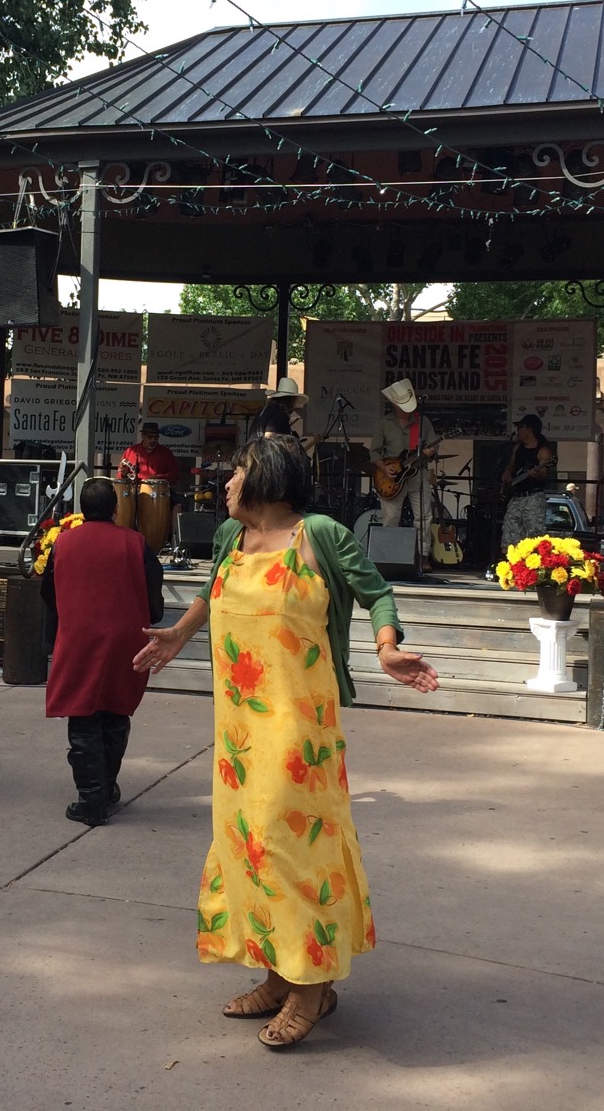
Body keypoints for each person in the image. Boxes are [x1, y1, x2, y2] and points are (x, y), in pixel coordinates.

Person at [133, 436, 437, 1050]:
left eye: (237, 471)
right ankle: (277, 972)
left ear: (268, 478)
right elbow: (209, 593)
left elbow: (376, 592)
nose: (226, 484)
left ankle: (311, 988)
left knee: (295, 848)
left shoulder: (319, 534)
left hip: (301, 730)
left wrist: (387, 649)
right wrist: (178, 635)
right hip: (239, 732)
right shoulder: (229, 538)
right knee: (249, 844)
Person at [40, 477, 165, 826]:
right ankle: (106, 788)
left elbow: (49, 593)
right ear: (115, 508)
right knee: (115, 710)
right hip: (126, 638)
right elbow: (154, 593)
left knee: (83, 712)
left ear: (81, 510)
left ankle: (92, 798)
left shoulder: (63, 543)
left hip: (80, 636)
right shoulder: (136, 542)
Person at [369, 377, 440, 571]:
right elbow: (374, 452)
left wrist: (431, 452)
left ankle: (423, 556)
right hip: (391, 478)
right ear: (393, 403)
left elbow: (434, 446)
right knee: (391, 517)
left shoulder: (423, 422)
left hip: (418, 475)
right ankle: (388, 557)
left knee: (424, 516)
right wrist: (385, 468)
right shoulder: (384, 423)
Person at [500, 413, 555, 551]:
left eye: (520, 427)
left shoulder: (543, 450)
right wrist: (506, 472)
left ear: (529, 429)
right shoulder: (518, 448)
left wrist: (536, 474)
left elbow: (543, 474)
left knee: (534, 538)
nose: (518, 431)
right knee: (510, 533)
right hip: (516, 496)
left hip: (533, 498)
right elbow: (511, 466)